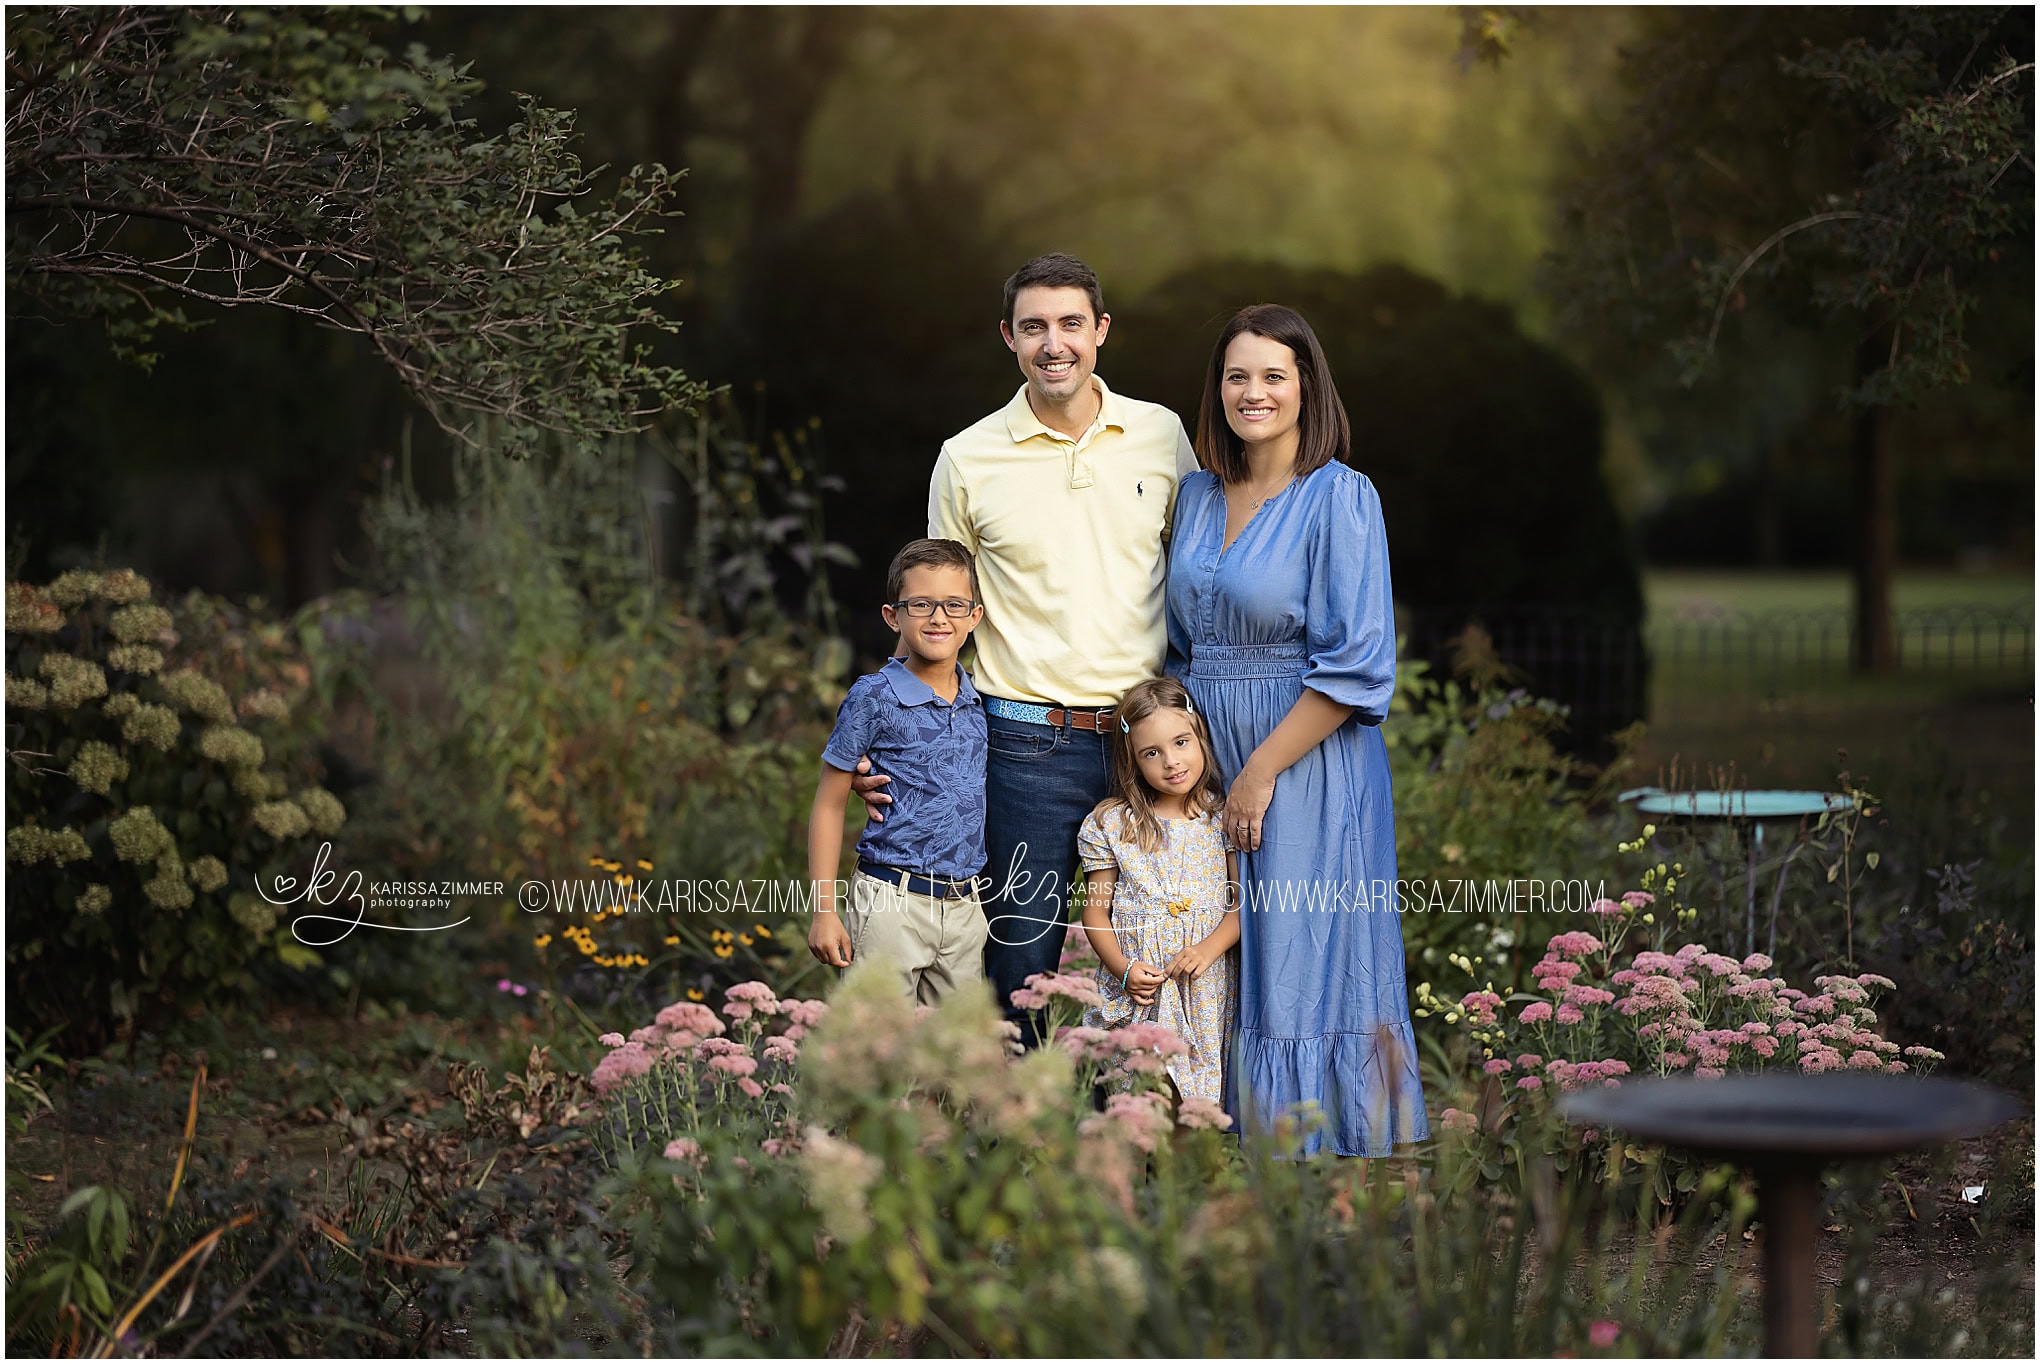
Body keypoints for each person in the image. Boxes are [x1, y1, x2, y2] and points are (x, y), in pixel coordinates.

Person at [850, 253, 1199, 1044]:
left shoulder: (1160, 435)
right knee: (1021, 965)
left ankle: (1138, 1140)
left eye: (1072, 324)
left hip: (1144, 744)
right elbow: (934, 615)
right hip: (1021, 746)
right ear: (1008, 337)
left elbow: (1198, 574)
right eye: (1034, 326)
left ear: (1101, 331)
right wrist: (897, 740)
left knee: (1156, 949)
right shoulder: (968, 457)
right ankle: (1020, 1145)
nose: (1055, 344)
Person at [1165, 303, 1428, 1158]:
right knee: (1212, 935)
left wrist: (1260, 771)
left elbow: (1356, 664)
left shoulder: (1341, 499)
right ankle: (1216, 1129)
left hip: (1304, 755)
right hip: (1205, 752)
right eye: (1237, 375)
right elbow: (1180, 642)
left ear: (1307, 387)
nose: (1253, 392)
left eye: (1274, 375)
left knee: (1295, 946)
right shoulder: (1197, 496)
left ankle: (1309, 1142)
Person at [806, 538, 989, 1005]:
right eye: (921, 604)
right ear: (894, 616)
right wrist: (825, 912)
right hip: (891, 901)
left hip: (966, 909)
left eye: (953, 605)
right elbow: (828, 804)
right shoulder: (872, 696)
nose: (938, 617)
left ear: (975, 616)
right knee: (877, 1055)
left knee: (952, 1062)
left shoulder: (978, 701)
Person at [1076, 677, 1239, 1106]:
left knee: (1191, 1102)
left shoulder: (1221, 819)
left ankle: (1182, 1174)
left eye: (1182, 742)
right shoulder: (1112, 823)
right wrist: (1123, 969)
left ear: (1201, 736)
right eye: (1152, 753)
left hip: (1201, 985)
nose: (1171, 762)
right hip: (1140, 983)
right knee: (1137, 1100)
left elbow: (1241, 906)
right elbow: (1095, 913)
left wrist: (1208, 949)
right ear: (1133, 760)